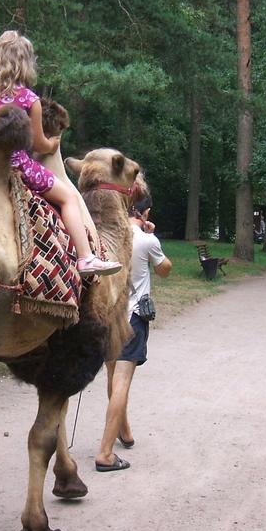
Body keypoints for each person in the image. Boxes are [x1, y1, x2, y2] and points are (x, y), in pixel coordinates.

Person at [0, 31, 120, 277]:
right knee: (68, 199)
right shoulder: (29, 99)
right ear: (25, 63)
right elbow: (38, 144)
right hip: (17, 168)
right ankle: (86, 258)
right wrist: (52, 145)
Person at [94, 194, 172, 472]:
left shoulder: (106, 237)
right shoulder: (147, 240)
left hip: (107, 315)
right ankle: (105, 453)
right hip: (133, 319)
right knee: (123, 382)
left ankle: (123, 432)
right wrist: (153, 236)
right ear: (145, 212)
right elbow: (164, 270)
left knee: (113, 376)